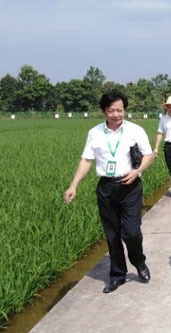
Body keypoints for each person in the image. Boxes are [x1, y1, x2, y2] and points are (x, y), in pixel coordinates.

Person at [63, 91, 154, 294]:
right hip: (106, 187)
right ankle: (117, 275)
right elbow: (86, 160)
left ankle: (139, 262)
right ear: (103, 111)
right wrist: (73, 185)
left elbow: (149, 154)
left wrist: (138, 171)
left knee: (131, 232)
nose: (116, 114)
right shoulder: (94, 133)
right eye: (111, 110)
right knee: (112, 235)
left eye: (120, 110)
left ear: (124, 110)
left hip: (129, 186)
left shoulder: (135, 130)